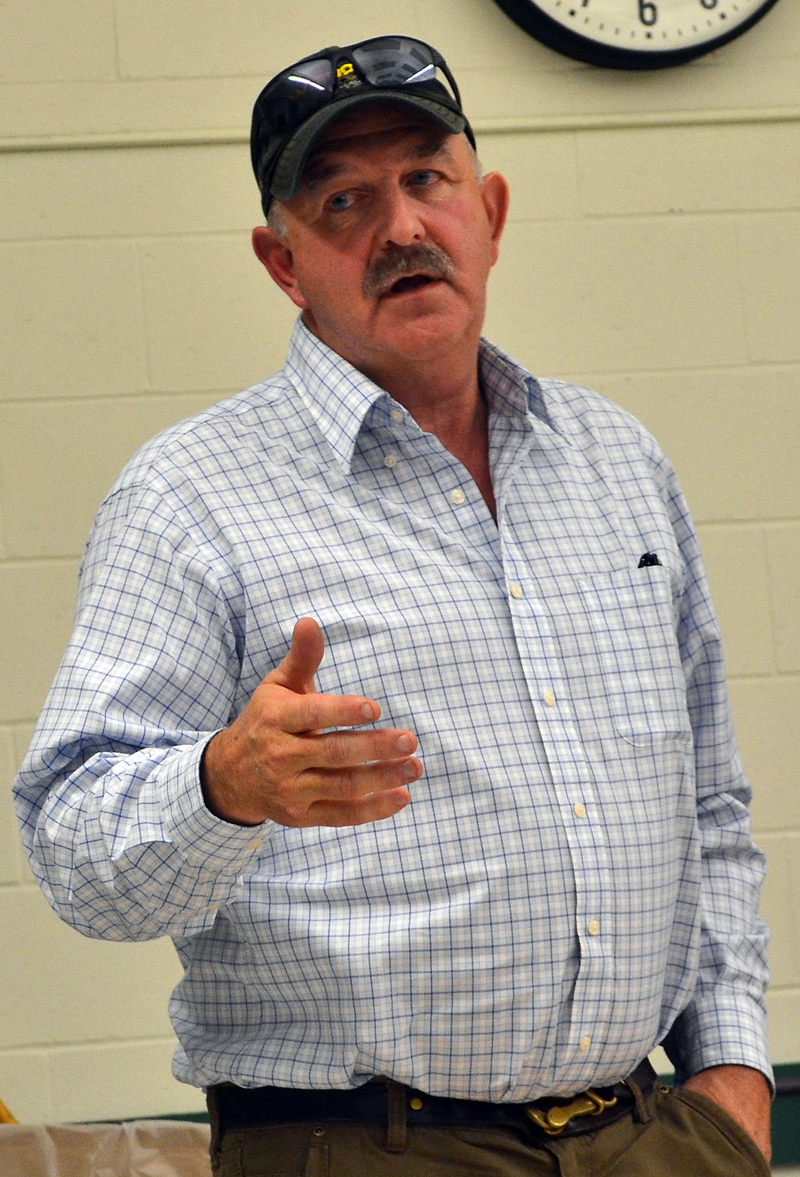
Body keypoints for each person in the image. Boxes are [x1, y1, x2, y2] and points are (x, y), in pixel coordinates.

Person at [14, 34, 772, 1177]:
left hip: (655, 1135)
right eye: (343, 200)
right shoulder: (189, 497)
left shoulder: (614, 462)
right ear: (282, 261)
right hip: (367, 1143)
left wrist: (729, 1081)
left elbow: (707, 806)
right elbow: (74, 852)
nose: (402, 227)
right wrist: (223, 784)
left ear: (491, 209)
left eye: (427, 179)